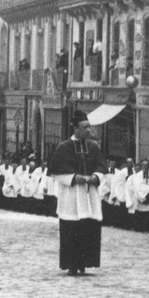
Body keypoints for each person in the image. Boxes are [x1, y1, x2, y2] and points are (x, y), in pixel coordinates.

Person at [49, 113, 105, 275]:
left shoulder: (93, 147)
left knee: (88, 229)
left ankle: (85, 263)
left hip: (89, 196)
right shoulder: (63, 147)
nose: (88, 130)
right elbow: (56, 172)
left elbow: (101, 167)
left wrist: (96, 176)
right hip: (71, 196)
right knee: (71, 230)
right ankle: (72, 265)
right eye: (84, 127)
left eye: (89, 127)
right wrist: (74, 177)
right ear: (75, 129)